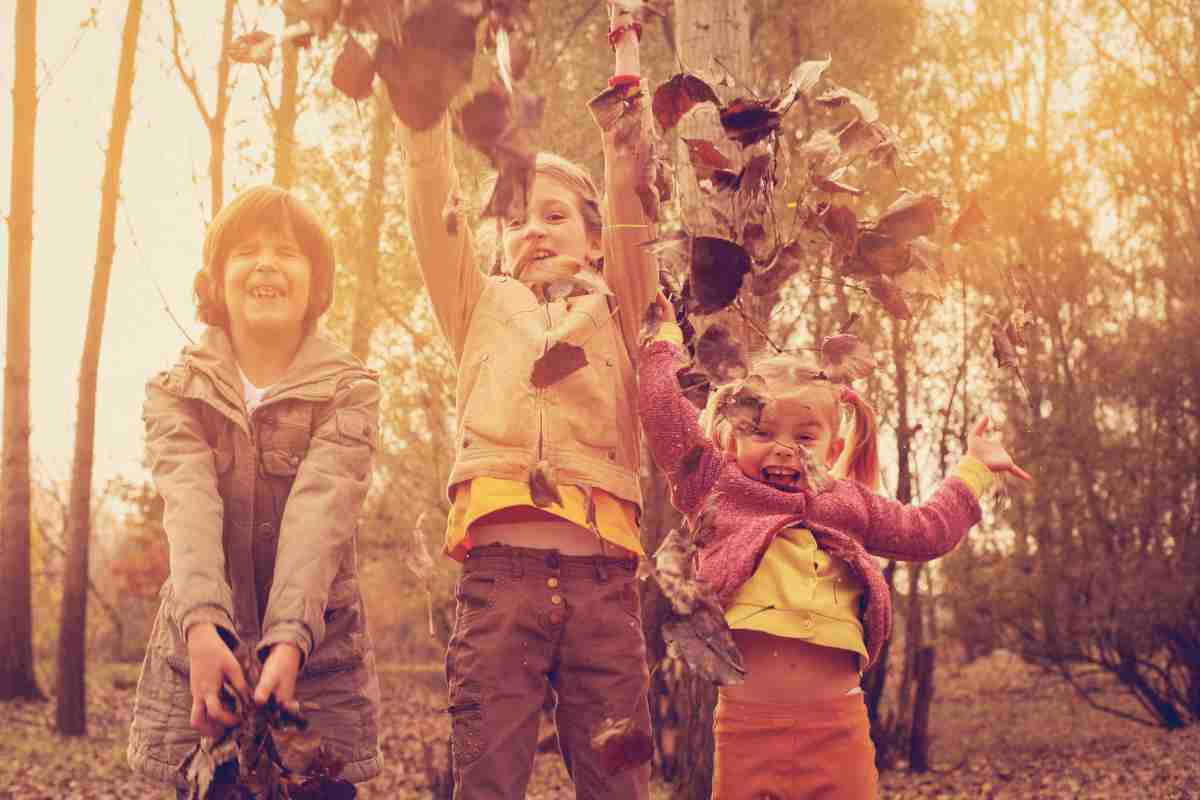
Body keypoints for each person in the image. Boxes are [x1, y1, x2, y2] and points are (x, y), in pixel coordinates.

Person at [397, 5, 658, 798]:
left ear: (591, 237)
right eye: (514, 218)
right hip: (497, 582)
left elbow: (631, 196)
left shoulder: (622, 307)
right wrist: (426, 86)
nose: (531, 231)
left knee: (617, 784)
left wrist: (627, 68)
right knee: (486, 778)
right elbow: (430, 195)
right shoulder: (478, 305)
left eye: (552, 216)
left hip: (604, 589)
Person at [638, 301, 1032, 800]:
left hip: (839, 727)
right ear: (732, 434)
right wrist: (663, 339)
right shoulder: (716, 484)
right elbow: (663, 414)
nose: (783, 448)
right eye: (761, 431)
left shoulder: (847, 503)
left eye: (804, 437)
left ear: (832, 447)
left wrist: (975, 468)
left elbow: (925, 530)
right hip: (748, 731)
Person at [126, 185, 383, 797]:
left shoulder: (351, 390)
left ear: (316, 284)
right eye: (246, 251)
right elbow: (188, 507)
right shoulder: (175, 391)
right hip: (202, 655)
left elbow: (320, 516)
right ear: (216, 280)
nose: (266, 262)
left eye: (287, 252)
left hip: (319, 668)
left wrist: (291, 639)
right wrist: (203, 632)